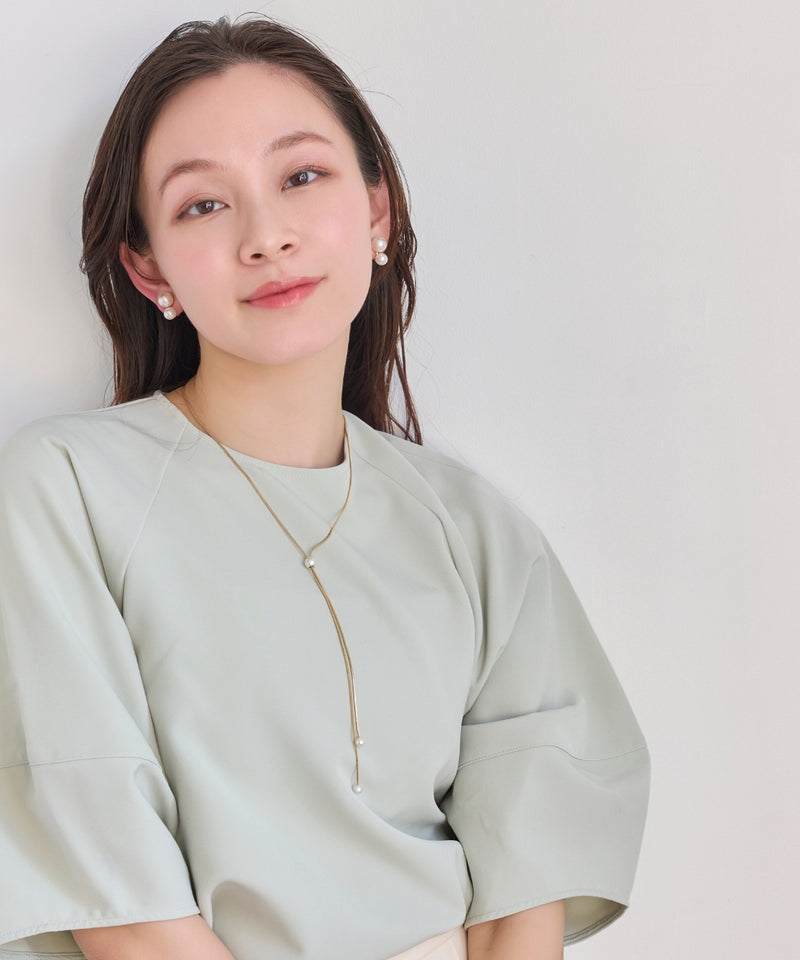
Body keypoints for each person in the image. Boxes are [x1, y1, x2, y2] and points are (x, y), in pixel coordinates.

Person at [0, 16, 649, 960]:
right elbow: (111, 879)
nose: (267, 236)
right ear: (148, 267)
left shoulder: (476, 528)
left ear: (377, 212)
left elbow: (526, 886)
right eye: (202, 205)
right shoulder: (64, 489)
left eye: (301, 177)